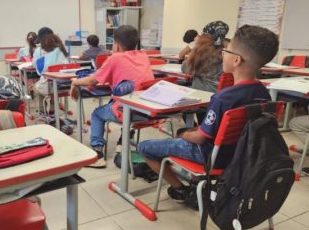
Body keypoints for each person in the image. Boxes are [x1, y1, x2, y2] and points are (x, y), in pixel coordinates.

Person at [137, 24, 278, 203]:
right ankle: (197, 182)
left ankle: (181, 190)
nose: (222, 53)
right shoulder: (264, 94)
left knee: (146, 147)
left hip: (211, 156)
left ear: (236, 60)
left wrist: (183, 133)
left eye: (227, 50)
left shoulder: (223, 98)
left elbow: (200, 138)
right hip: (242, 156)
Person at [70, 25, 154, 168]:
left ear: (115, 44)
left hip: (127, 110)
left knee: (97, 114)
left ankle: (97, 153)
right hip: (146, 109)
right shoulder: (143, 55)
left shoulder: (115, 58)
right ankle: (122, 143)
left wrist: (75, 82)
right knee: (114, 100)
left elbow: (92, 80)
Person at [181, 21, 229, 93]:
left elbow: (185, 68)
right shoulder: (229, 51)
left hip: (202, 94)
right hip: (222, 95)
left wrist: (196, 47)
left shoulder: (204, 54)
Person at [33, 27, 68, 96]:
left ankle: (47, 105)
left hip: (48, 86)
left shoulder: (39, 50)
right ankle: (54, 104)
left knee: (35, 87)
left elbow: (35, 65)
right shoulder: (60, 48)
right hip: (64, 85)